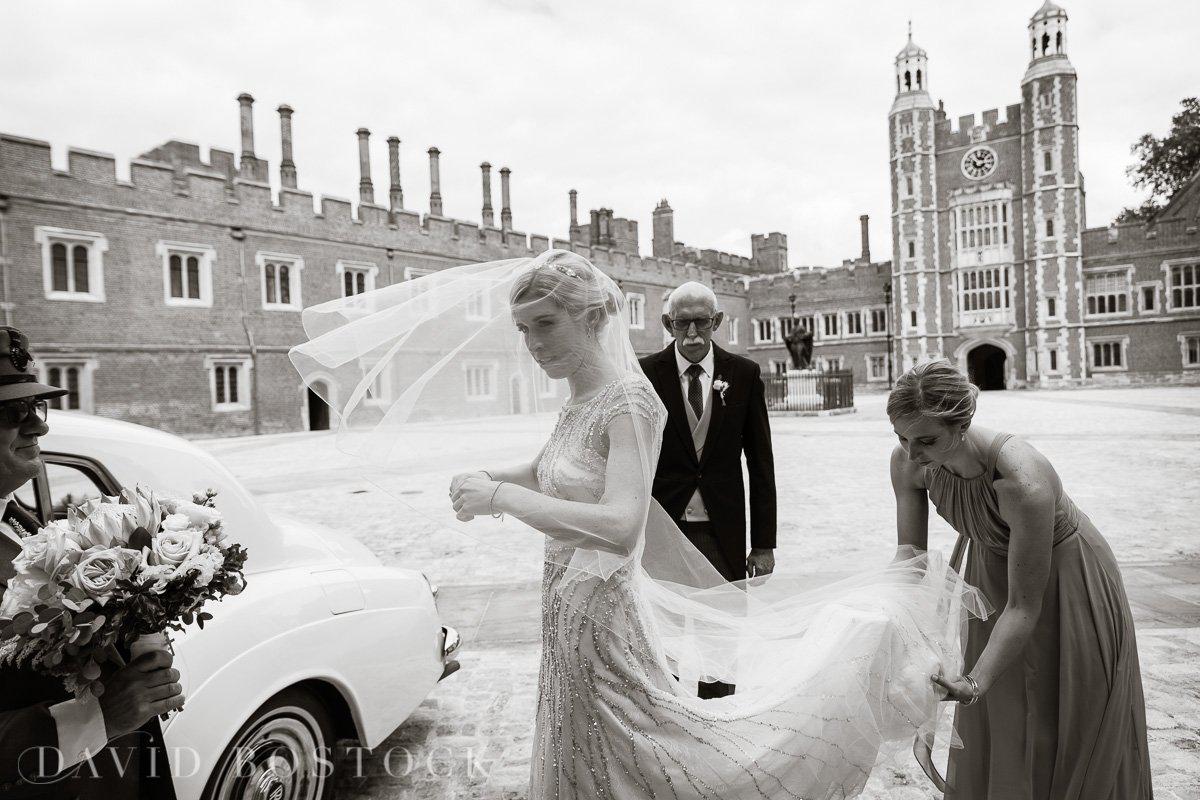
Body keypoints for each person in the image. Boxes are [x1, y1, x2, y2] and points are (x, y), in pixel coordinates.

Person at [292, 250, 985, 799]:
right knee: (577, 739)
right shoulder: (581, 398)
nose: (532, 344)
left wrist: (499, 502)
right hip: (564, 600)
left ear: (592, 319)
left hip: (602, 610)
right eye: (523, 329)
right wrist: (493, 477)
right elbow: (550, 467)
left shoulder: (629, 400)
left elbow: (622, 525)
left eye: (545, 325)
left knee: (631, 747)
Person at [887, 359, 1153, 799]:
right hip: (990, 574)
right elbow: (910, 557)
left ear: (963, 424)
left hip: (1067, 582)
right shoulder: (909, 462)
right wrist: (886, 621)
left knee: (1065, 716)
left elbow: (1024, 606)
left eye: (926, 440)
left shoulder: (1020, 478)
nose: (912, 453)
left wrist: (972, 683)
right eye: (901, 436)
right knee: (1006, 717)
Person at [0, 327, 183, 799]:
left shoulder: (18, 517)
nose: (38, 426)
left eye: (35, 408)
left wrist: (134, 631)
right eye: (12, 412)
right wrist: (99, 717)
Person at [639, 281, 776, 698]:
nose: (693, 333)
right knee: (668, 641)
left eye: (702, 322)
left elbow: (760, 462)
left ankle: (719, 725)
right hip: (664, 532)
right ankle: (675, 722)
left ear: (717, 321)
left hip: (724, 533)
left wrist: (764, 544)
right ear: (668, 324)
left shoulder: (744, 374)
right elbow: (637, 458)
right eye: (683, 323)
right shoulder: (645, 374)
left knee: (722, 640)